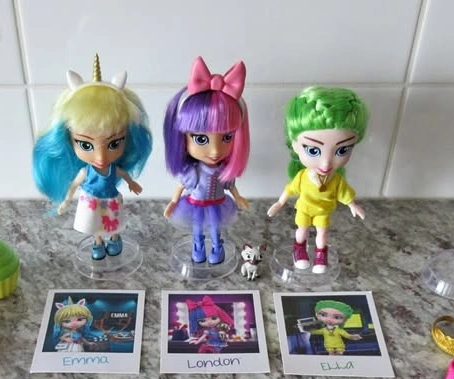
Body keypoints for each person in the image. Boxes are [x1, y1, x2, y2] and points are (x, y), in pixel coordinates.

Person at [33, 54, 152, 260]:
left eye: (114, 143)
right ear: (66, 140)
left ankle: (115, 239)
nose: (101, 156)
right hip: (91, 201)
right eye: (86, 145)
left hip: (110, 200)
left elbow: (123, 174)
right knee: (94, 225)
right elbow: (74, 185)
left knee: (113, 223)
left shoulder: (113, 169)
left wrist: (132, 183)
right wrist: (66, 200)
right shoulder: (85, 171)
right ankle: (98, 243)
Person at [267, 87, 369, 274]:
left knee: (322, 233)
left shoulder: (336, 180)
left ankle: (321, 255)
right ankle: (299, 250)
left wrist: (353, 205)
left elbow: (344, 194)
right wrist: (279, 203)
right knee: (302, 230)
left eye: (342, 150)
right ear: (295, 145)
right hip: (305, 209)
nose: (326, 162)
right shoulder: (303, 176)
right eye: (313, 150)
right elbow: (290, 190)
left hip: (323, 211)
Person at [163, 57, 251, 265]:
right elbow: (180, 187)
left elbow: (231, 186)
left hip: (217, 203)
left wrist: (238, 197)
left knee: (215, 227)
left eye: (227, 137)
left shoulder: (224, 170)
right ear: (181, 138)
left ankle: (217, 248)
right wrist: (173, 202)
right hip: (196, 203)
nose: (215, 150)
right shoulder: (193, 172)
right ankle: (198, 247)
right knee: (197, 227)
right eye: (201, 139)